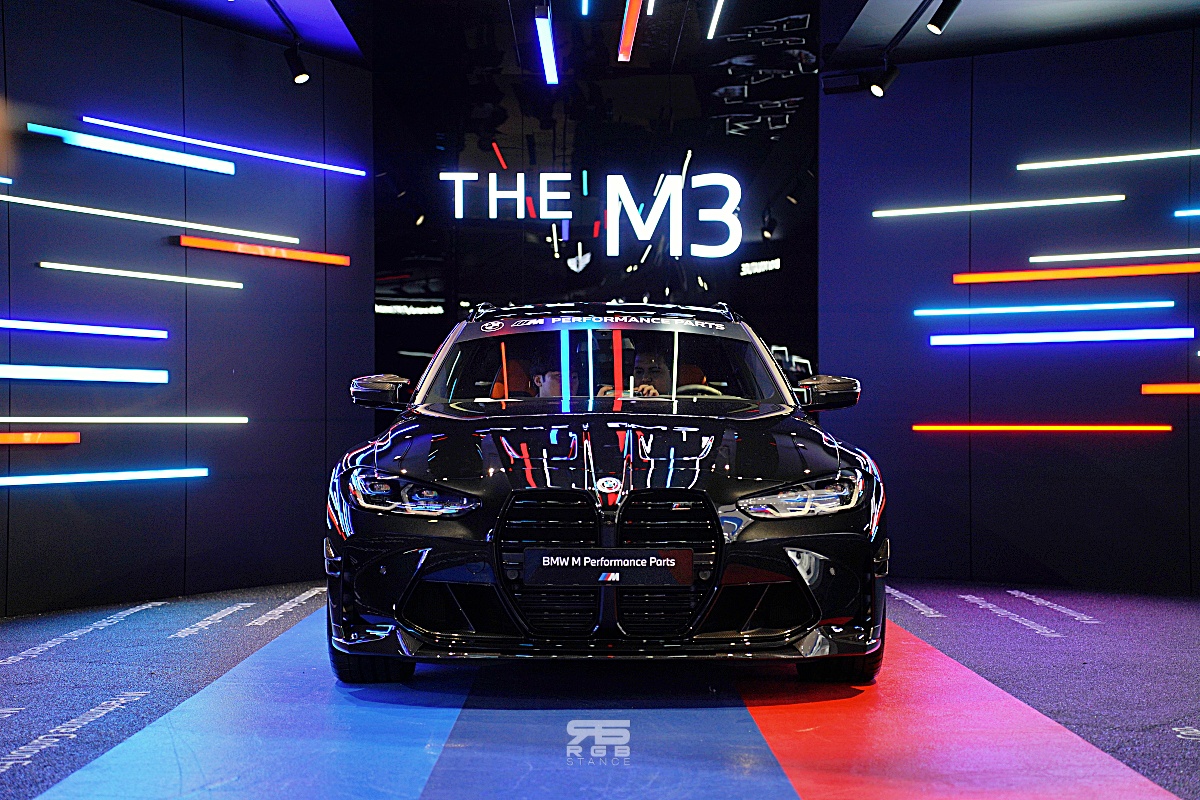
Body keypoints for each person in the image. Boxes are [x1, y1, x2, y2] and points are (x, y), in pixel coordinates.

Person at [599, 348, 674, 397]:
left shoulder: (679, 403)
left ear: (671, 375)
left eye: (654, 372)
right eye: (639, 372)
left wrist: (657, 406)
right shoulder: (625, 402)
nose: (645, 379)